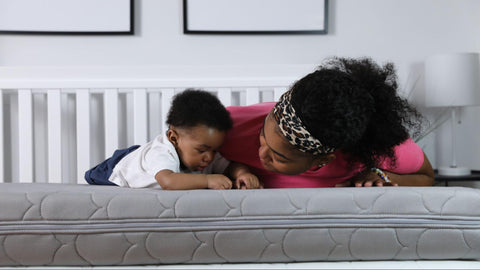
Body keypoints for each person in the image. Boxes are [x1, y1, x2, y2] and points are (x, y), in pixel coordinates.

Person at [219, 57, 435, 188]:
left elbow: (426, 176)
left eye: (278, 157)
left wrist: (382, 175)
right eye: (263, 136)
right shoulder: (227, 127)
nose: (261, 153)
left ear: (322, 160)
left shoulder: (375, 149)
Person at [85, 89, 260, 190]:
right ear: (174, 138)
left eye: (214, 150)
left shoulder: (207, 155)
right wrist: (208, 180)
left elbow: (230, 165)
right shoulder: (162, 152)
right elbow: (168, 181)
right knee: (95, 177)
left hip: (146, 158)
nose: (210, 157)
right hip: (118, 169)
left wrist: (242, 174)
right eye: (201, 150)